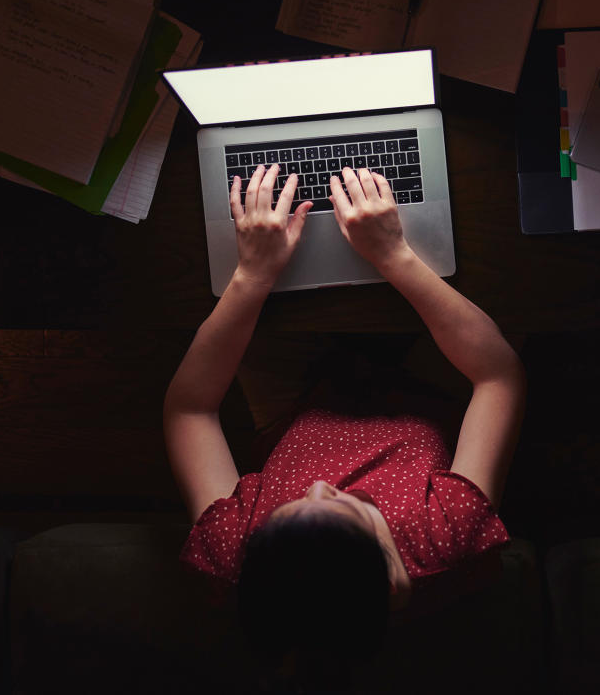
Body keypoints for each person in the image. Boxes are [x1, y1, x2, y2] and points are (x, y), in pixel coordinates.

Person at [162, 164, 526, 689]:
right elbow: (498, 377)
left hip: (297, 405)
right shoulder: (446, 541)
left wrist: (253, 276)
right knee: (512, 280)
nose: (317, 485)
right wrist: (394, 256)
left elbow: (190, 409)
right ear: (390, 566)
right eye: (340, 506)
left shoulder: (230, 559)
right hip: (432, 390)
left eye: (287, 510)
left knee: (213, 281)